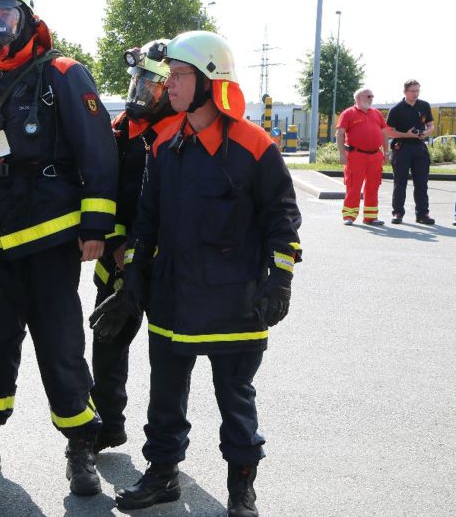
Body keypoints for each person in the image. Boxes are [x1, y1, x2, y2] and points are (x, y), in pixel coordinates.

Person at [90, 31, 302, 516]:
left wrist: (281, 278)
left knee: (236, 403)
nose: (172, 85)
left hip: (236, 303)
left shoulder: (255, 145)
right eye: (172, 76)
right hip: (173, 301)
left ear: (211, 80)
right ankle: (162, 475)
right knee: (165, 401)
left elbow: (282, 220)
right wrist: (130, 282)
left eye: (182, 75)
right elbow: (146, 221)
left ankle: (241, 488)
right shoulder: (163, 144)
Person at [0, 0, 118, 497]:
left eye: (5, 17)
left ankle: (80, 448)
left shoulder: (64, 76)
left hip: (50, 246)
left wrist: (96, 227)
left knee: (61, 350)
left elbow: (99, 155)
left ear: (28, 20)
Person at [91, 39, 177, 454]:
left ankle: (164, 450)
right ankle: (107, 425)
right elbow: (103, 192)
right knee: (108, 345)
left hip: (164, 268)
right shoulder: (122, 128)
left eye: (152, 86)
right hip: (117, 261)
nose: (140, 93)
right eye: (138, 82)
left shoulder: (181, 133)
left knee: (168, 359)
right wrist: (116, 246)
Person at [336, 87, 390, 226]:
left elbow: (384, 134)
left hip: (375, 156)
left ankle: (371, 217)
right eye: (368, 96)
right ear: (359, 98)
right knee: (353, 186)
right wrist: (342, 154)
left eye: (372, 96)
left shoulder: (376, 113)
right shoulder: (348, 113)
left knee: (373, 186)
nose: (371, 99)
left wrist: (386, 153)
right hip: (355, 156)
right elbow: (340, 134)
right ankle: (349, 216)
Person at [386, 80, 435, 225]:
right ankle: (398, 213)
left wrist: (425, 132)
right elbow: (389, 132)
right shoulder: (396, 109)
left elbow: (430, 125)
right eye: (412, 91)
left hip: (419, 147)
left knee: (421, 183)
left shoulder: (424, 105)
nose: (415, 93)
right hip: (402, 148)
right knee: (400, 182)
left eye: (417, 90)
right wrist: (407, 134)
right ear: (405, 92)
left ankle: (422, 214)